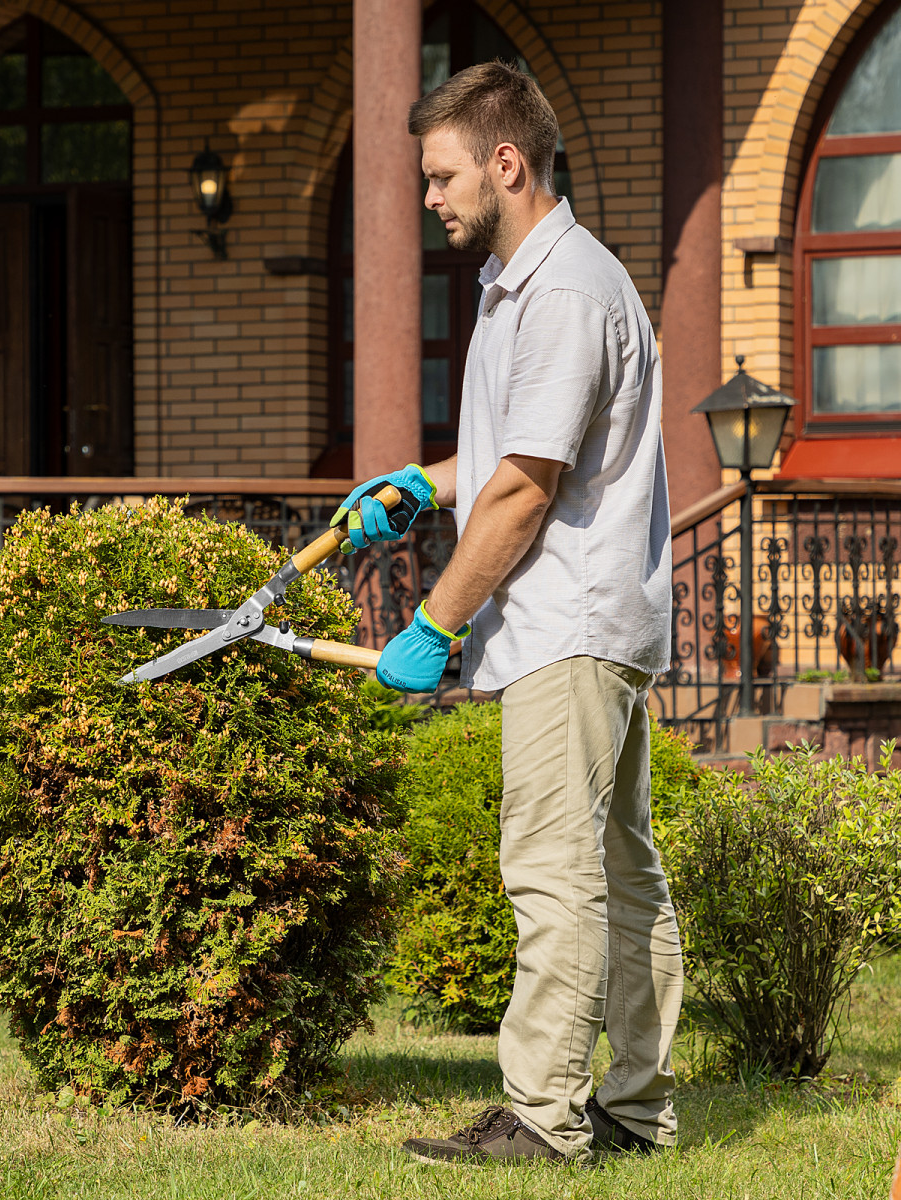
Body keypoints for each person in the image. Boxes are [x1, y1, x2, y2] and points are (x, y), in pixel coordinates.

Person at [332, 60, 684, 1163]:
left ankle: (545, 1119)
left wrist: (434, 622)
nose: (428, 197)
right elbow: (509, 456)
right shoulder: (523, 285)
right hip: (589, 624)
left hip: (565, 626)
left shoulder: (566, 292)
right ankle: (636, 1109)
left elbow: (528, 489)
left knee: (553, 869)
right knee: (620, 868)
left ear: (506, 163)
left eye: (442, 177)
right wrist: (424, 485)